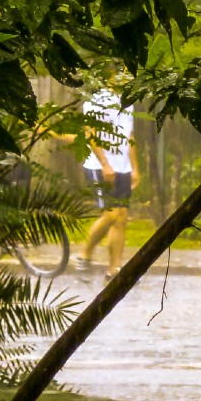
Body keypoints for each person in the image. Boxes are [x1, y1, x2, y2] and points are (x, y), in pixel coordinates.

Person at [49, 74, 139, 279]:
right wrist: (105, 165)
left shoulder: (128, 101)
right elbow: (92, 135)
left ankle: (114, 269)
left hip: (122, 166)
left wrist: (135, 167)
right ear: (110, 76)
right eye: (122, 72)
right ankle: (84, 254)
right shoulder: (97, 102)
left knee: (121, 218)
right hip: (99, 166)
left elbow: (129, 136)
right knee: (110, 215)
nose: (127, 77)